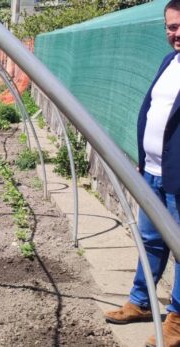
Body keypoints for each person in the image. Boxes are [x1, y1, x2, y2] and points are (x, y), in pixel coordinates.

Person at [104, 2, 180, 346]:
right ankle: (141, 301)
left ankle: (177, 321)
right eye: (170, 27)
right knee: (149, 240)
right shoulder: (170, 61)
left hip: (177, 175)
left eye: (179, 26)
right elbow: (153, 109)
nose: (175, 34)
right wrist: (142, 155)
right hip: (151, 170)